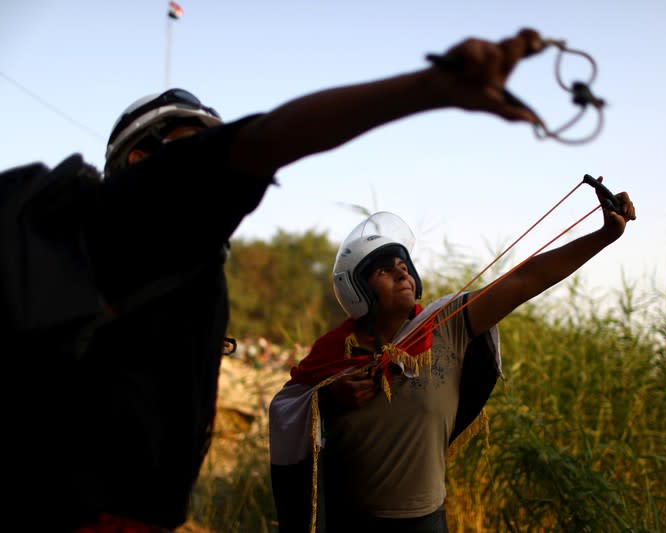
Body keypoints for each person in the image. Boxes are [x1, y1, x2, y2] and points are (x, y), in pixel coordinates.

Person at [3, 27, 571, 532]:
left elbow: (521, 282)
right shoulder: (127, 227)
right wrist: (434, 87)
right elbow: (269, 139)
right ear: (138, 164)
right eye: (193, 150)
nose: (222, 173)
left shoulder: (172, 269)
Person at [269, 193, 635, 532]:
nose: (402, 273)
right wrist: (329, 398)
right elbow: (286, 409)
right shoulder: (334, 355)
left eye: (404, 265)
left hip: (426, 522)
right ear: (355, 289)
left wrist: (603, 235)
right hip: (350, 523)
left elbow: (525, 279)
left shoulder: (448, 324)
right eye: (383, 270)